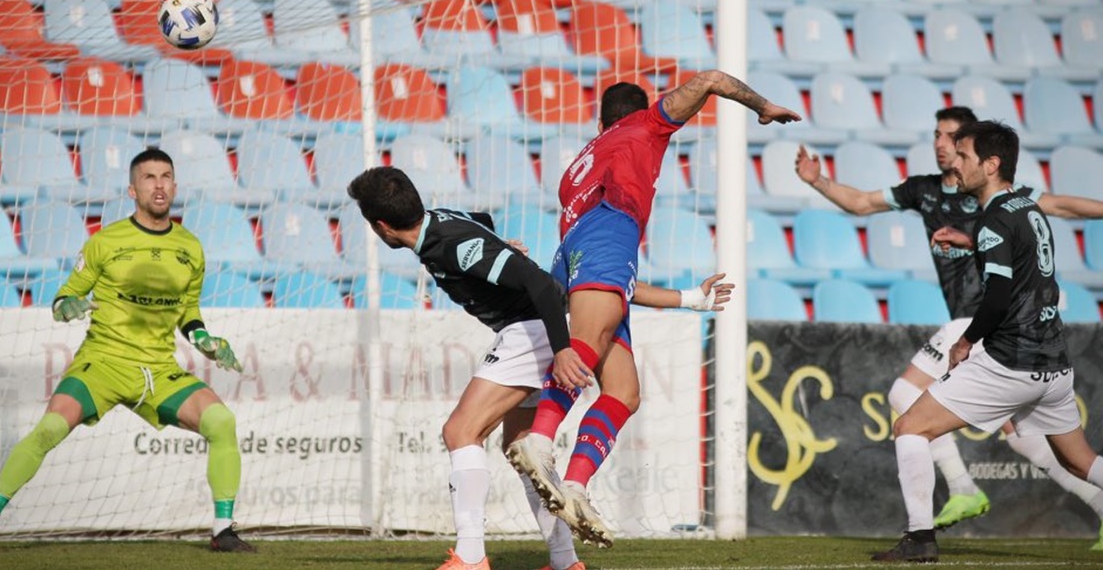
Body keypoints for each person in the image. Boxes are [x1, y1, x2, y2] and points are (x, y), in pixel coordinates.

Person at [347, 166, 733, 570]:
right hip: (538, 327)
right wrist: (499, 249)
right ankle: (566, 561)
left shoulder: (450, 245)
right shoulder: (445, 221)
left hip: (531, 330)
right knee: (520, 445)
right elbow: (481, 223)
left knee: (460, 431)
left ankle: (471, 557)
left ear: (381, 226)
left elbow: (543, 285)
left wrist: (563, 349)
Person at [507, 72, 801, 548]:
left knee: (622, 393)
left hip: (579, 254)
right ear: (637, 114)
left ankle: (576, 487)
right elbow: (708, 80)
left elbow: (605, 278)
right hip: (610, 235)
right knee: (584, 348)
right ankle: (539, 440)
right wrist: (762, 105)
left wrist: (690, 299)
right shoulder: (645, 127)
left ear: (601, 120)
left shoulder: (579, 166)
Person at [795, 107, 1103, 543]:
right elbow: (861, 203)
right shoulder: (929, 192)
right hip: (1044, 351)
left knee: (906, 404)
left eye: (957, 143)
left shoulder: (1002, 206)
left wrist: (968, 339)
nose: (947, 149)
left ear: (986, 160)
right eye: (940, 137)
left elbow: (1017, 260)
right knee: (1055, 451)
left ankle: (952, 498)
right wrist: (818, 181)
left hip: (987, 328)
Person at [0, 149, 253, 553]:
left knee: (221, 421)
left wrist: (205, 341)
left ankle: (222, 531)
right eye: (149, 178)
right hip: (103, 364)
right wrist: (69, 306)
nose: (159, 185)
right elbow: (63, 300)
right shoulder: (106, 241)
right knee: (49, 430)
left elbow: (189, 312)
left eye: (166, 176)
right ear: (133, 189)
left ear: (175, 186)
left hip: (158, 370)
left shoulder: (191, 248)